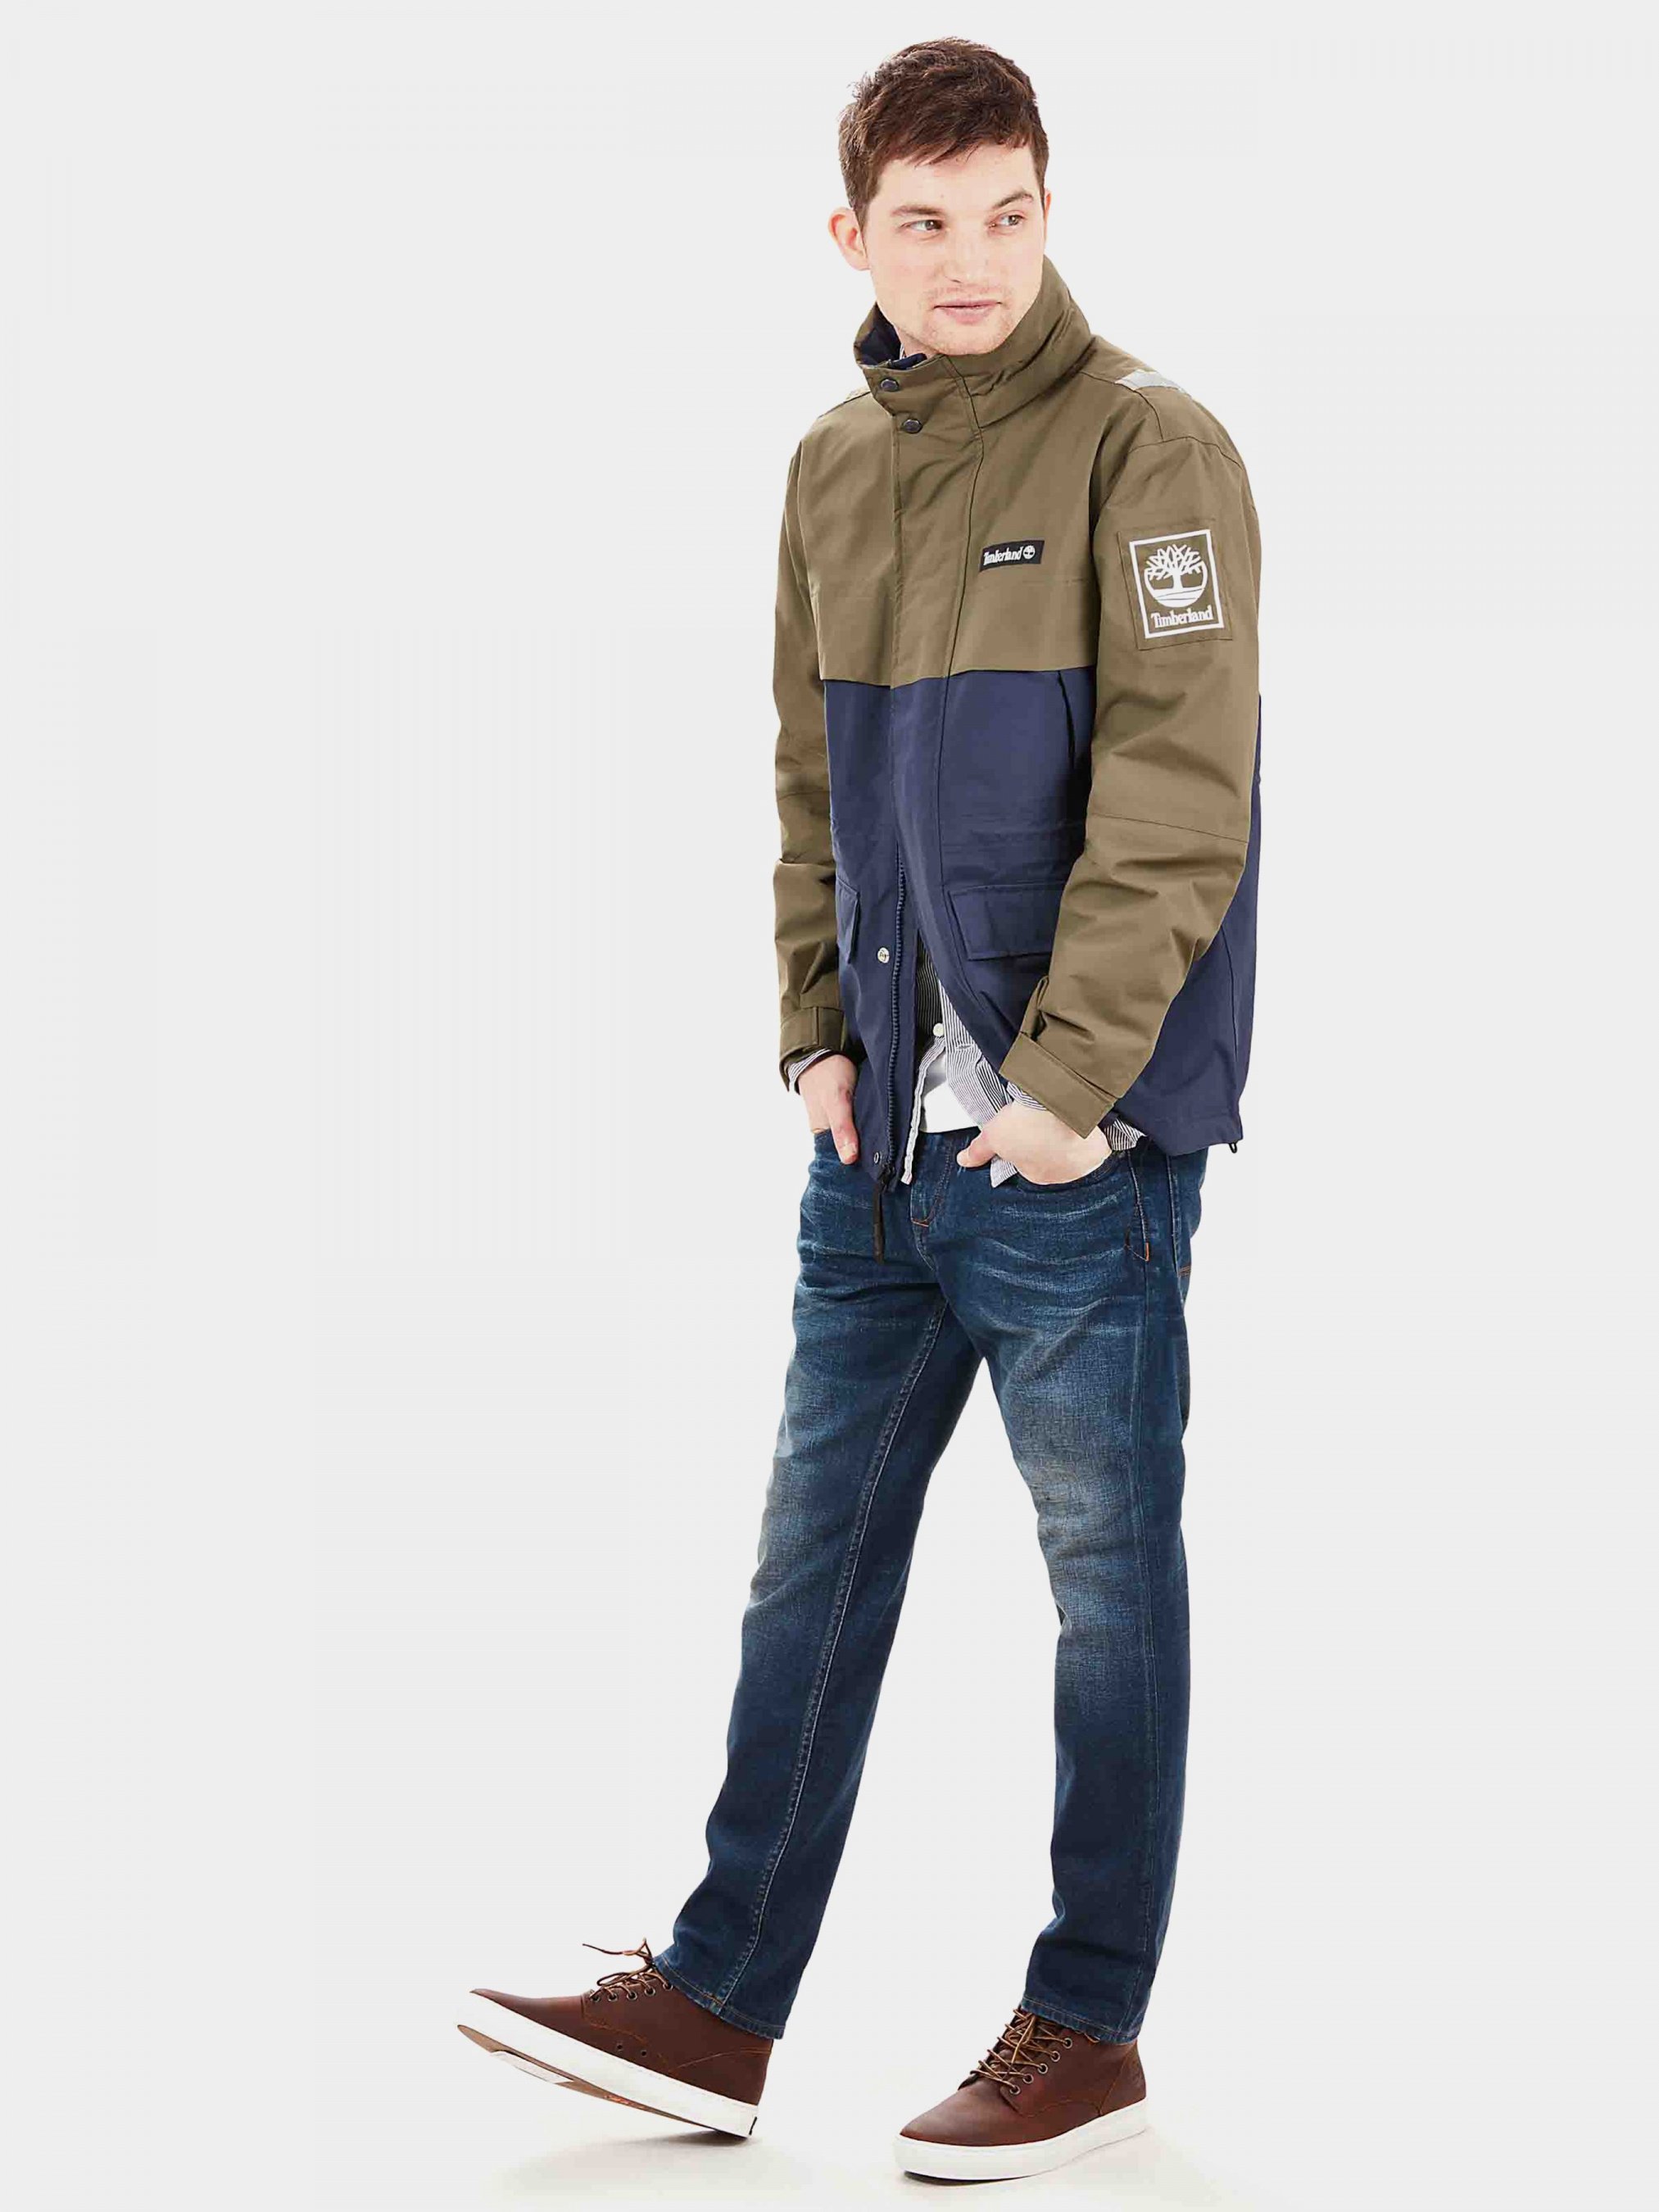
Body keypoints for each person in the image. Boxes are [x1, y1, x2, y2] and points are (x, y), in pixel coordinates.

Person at [457, 36, 1262, 2184]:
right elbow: (808, 776)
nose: (969, 256)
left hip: (1076, 1158)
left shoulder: (1150, 442)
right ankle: (716, 2003)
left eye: (1007, 212)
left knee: (1108, 1595)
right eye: (924, 220)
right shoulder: (830, 465)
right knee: (805, 1572)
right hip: (880, 1147)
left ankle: (1088, 2025)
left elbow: (1180, 798)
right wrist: (814, 1030)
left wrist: (1073, 1090)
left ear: (1049, 208)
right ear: (852, 234)